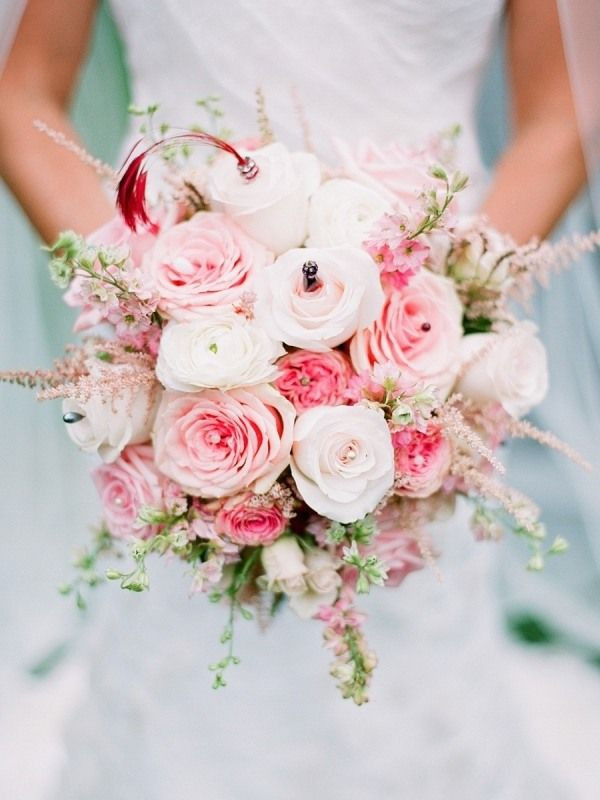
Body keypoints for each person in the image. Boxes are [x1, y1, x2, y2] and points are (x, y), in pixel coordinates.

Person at [1, 2, 599, 798]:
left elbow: (564, 109)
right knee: (187, 666)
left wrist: (443, 311)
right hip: (174, 332)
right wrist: (145, 302)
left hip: (422, 336)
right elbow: (23, 91)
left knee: (409, 654)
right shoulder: (161, 317)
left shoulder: (428, 337)